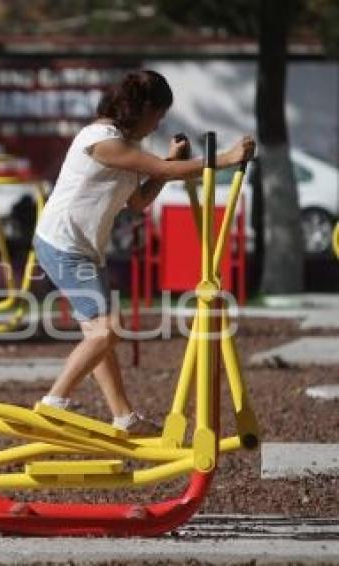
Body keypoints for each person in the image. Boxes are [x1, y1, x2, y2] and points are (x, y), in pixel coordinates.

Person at [33, 70, 254, 434]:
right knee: (106, 331)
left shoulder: (123, 147)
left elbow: (138, 201)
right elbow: (157, 168)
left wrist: (167, 164)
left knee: (97, 335)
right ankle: (53, 402)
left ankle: (123, 416)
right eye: (159, 116)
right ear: (142, 109)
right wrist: (225, 158)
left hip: (82, 247)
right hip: (64, 244)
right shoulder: (101, 140)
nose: (158, 124)